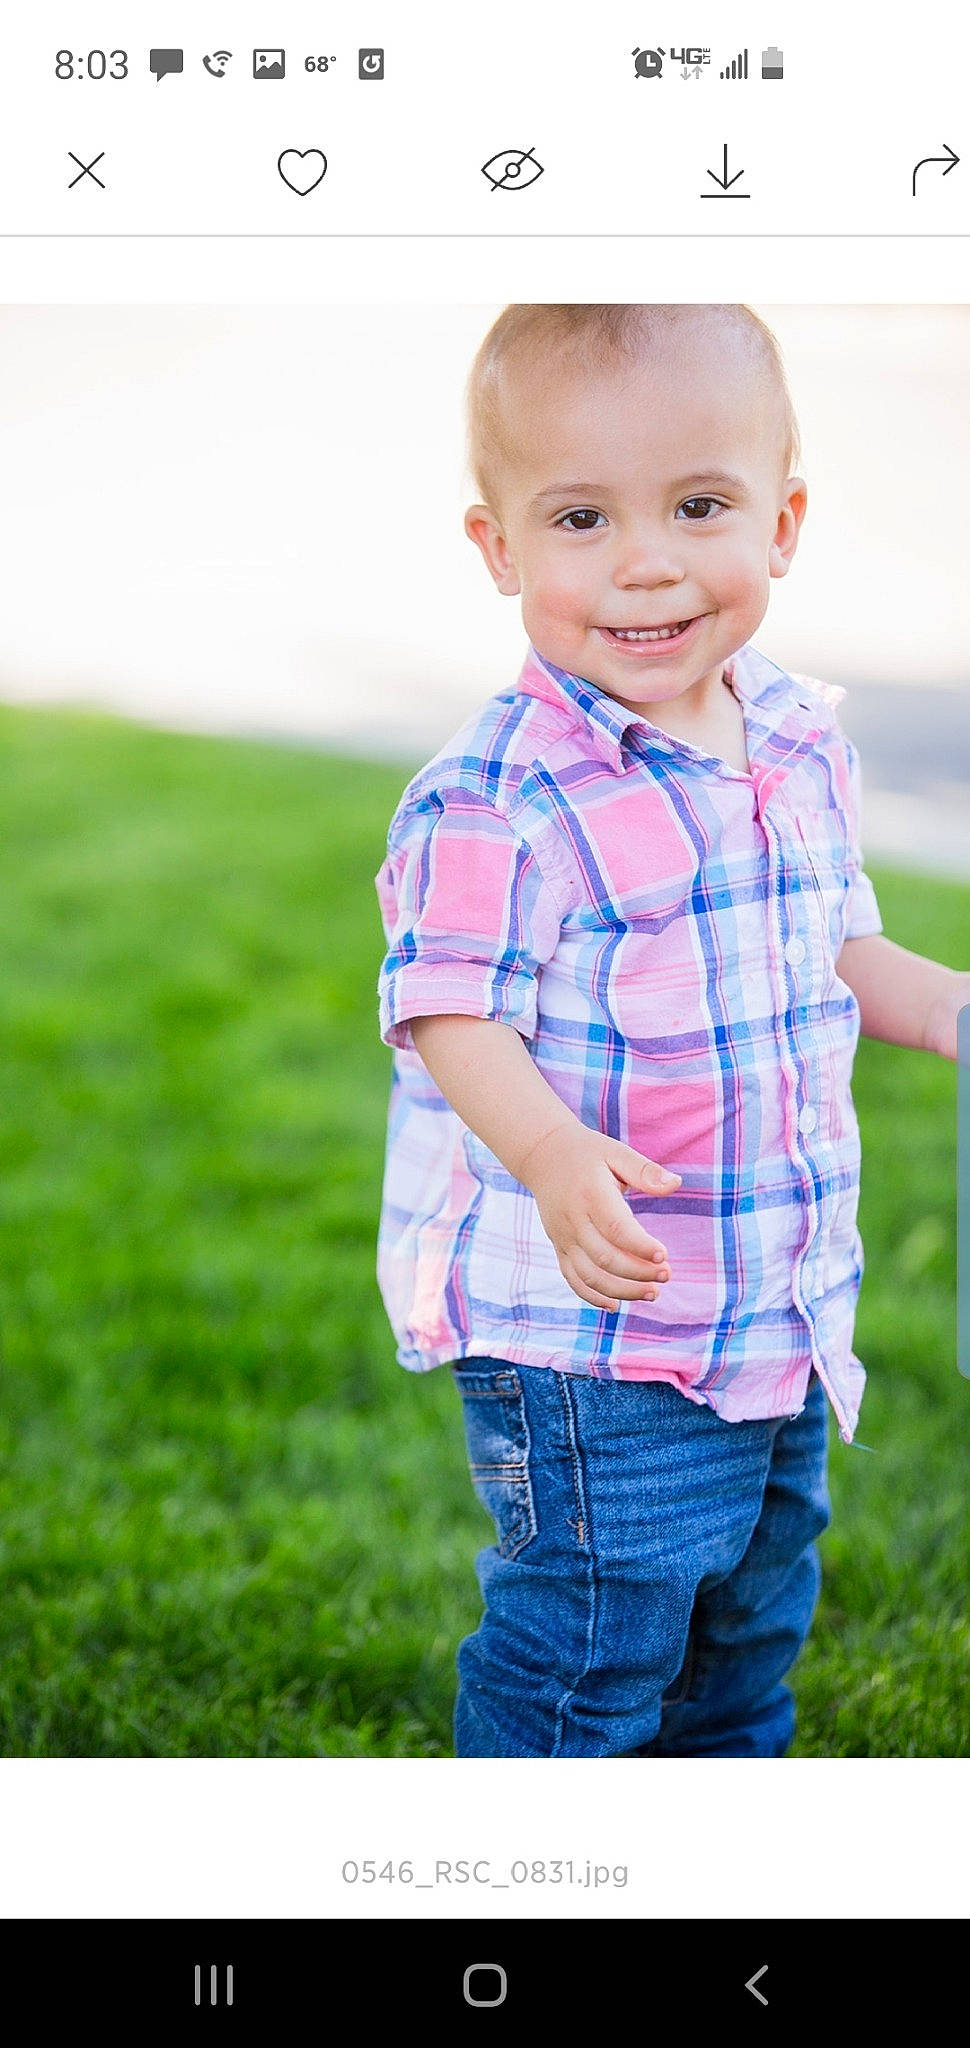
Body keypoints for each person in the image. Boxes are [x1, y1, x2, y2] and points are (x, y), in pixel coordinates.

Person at [374, 304, 966, 1757]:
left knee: (743, 1639)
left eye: (697, 505)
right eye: (580, 517)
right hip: (592, 1341)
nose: (645, 561)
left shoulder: (791, 737)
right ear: (499, 548)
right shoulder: (497, 792)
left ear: (782, 518)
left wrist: (946, 1005)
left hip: (770, 1309)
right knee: (590, 1650)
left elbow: (832, 946)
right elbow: (448, 1005)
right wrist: (553, 1152)